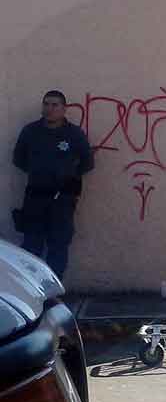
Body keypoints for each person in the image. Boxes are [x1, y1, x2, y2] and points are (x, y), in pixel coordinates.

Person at [12, 90, 93, 280]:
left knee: (58, 246)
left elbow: (88, 163)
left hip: (62, 200)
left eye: (55, 105)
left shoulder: (74, 134)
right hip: (35, 197)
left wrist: (69, 179)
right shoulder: (30, 131)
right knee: (31, 246)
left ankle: (53, 291)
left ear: (64, 109)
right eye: (46, 104)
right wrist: (40, 174)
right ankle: (31, 290)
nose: (49, 109)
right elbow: (18, 159)